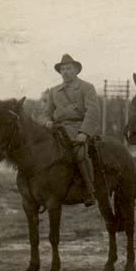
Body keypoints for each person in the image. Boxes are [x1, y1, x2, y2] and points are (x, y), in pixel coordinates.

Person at [42, 54, 101, 206]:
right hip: (57, 128)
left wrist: (84, 132)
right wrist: (47, 121)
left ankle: (89, 190)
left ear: (76, 70)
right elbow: (46, 112)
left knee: (80, 154)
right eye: (62, 69)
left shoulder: (86, 87)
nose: (65, 72)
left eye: (69, 68)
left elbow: (93, 111)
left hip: (78, 127)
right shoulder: (54, 91)